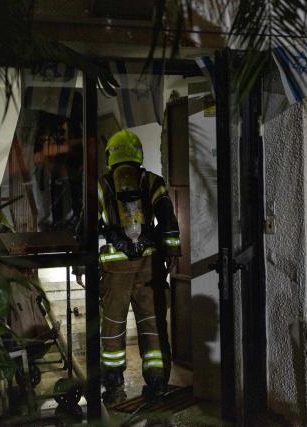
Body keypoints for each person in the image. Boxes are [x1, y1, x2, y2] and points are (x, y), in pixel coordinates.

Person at [98, 129, 181, 404]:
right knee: (152, 324)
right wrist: (170, 252)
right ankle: (157, 382)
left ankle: (113, 384)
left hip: (114, 271)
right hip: (149, 268)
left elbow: (87, 228)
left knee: (113, 326)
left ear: (111, 155)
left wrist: (90, 261)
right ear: (138, 153)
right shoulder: (154, 182)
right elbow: (168, 220)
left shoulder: (102, 186)